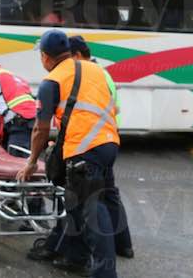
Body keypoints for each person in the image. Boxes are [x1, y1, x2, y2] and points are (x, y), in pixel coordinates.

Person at [17, 29, 119, 278]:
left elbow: (41, 129)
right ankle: (75, 257)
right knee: (75, 200)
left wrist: (31, 161)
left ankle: (105, 274)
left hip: (85, 149)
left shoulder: (52, 81)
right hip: (109, 143)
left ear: (45, 56)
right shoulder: (94, 69)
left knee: (93, 210)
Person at [69, 35, 133, 259]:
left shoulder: (90, 75)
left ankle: (95, 255)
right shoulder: (103, 73)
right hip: (108, 139)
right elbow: (116, 107)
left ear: (77, 55)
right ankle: (124, 245)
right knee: (110, 194)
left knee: (93, 199)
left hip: (94, 141)